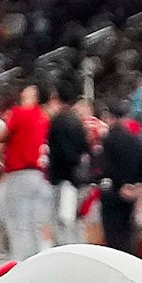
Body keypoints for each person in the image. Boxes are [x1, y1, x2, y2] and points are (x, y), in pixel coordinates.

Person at [0, 83, 53, 265]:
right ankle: (37, 265)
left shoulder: (20, 113)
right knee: (34, 225)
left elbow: (3, 136)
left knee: (18, 224)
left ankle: (21, 266)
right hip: (39, 175)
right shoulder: (44, 117)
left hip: (19, 173)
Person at [95, 111, 142, 259]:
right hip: (131, 192)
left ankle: (114, 261)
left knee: (112, 233)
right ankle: (129, 259)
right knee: (128, 230)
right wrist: (136, 185)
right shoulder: (134, 140)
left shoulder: (108, 140)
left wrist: (118, 185)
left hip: (113, 193)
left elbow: (104, 167)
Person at [47, 92, 91, 249]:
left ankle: (66, 255)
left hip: (63, 179)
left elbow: (60, 152)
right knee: (74, 220)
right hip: (77, 179)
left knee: (63, 222)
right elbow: (86, 149)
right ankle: (80, 252)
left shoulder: (57, 122)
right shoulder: (77, 122)